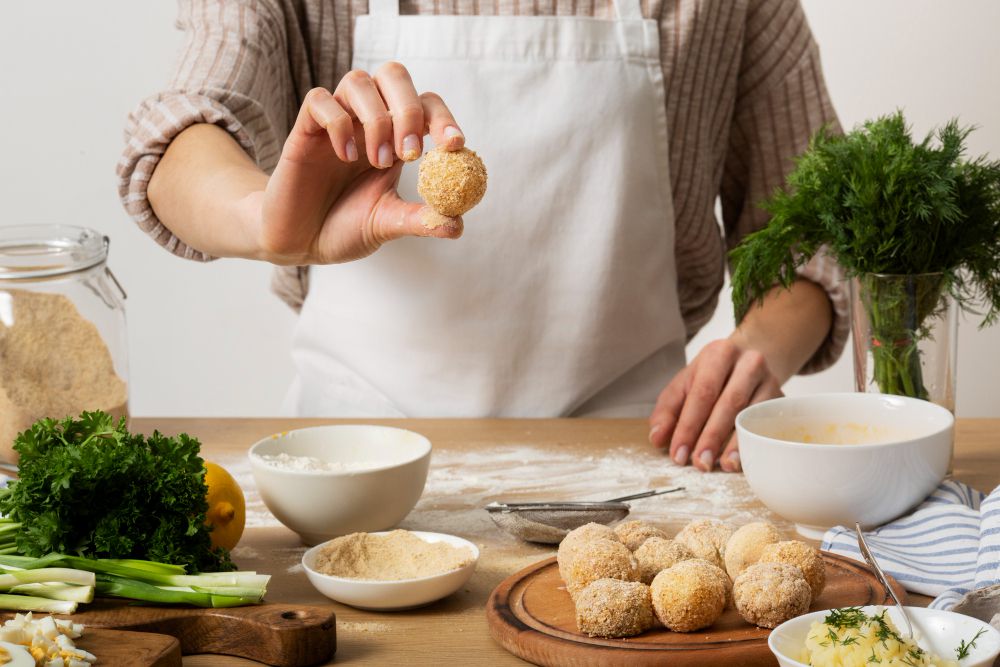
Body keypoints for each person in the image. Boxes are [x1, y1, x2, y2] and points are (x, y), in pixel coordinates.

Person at [118, 0, 849, 473]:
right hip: (351, 468)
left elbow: (820, 233)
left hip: (637, 465)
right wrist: (266, 221)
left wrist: (765, 344)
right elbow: (181, 135)